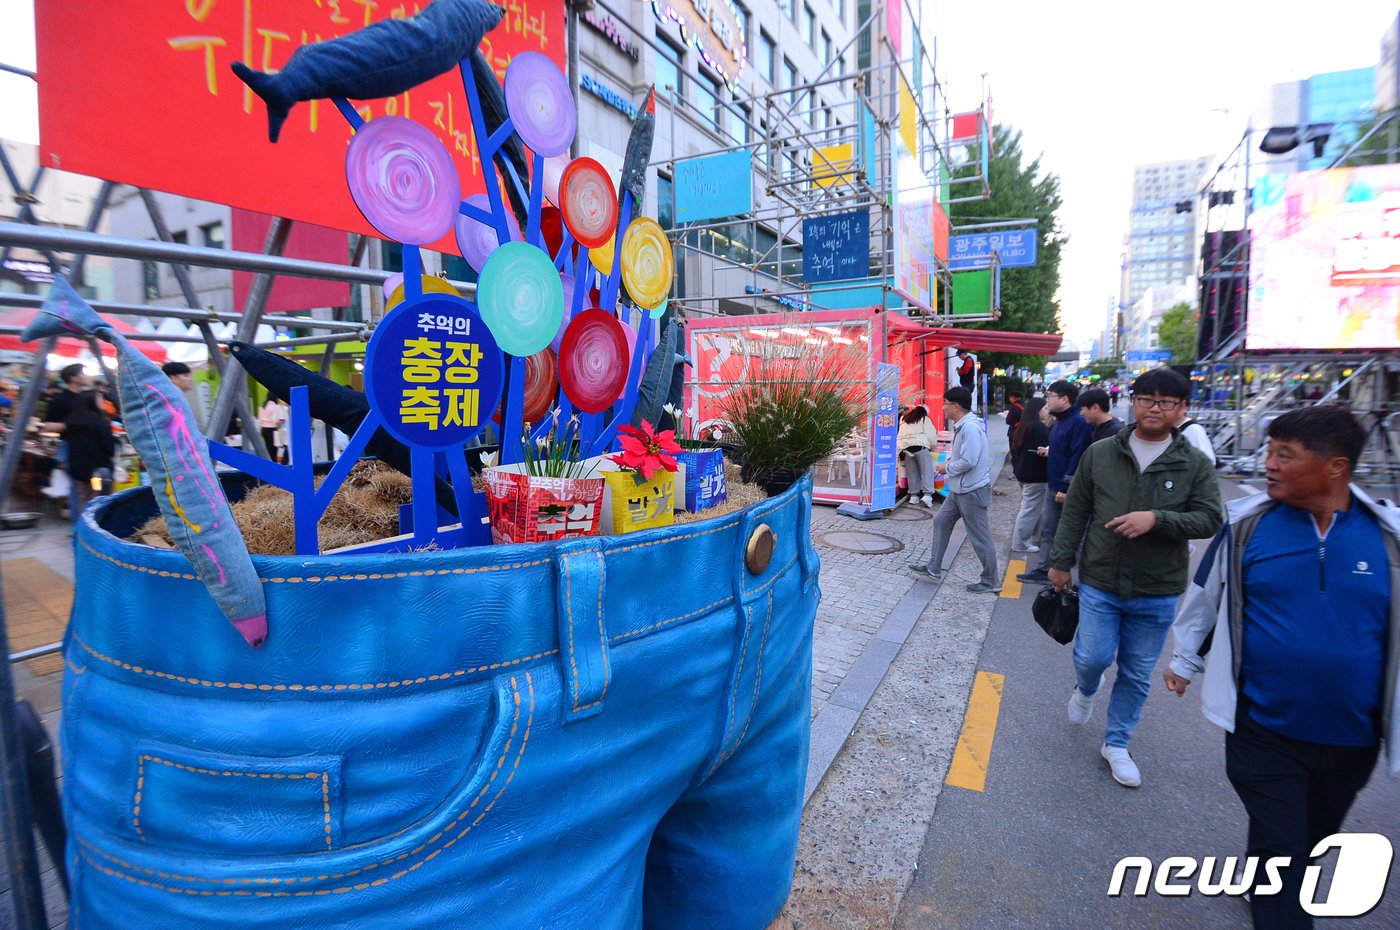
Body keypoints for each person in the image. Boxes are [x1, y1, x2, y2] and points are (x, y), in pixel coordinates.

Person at [1166, 405, 1398, 929]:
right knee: (1287, 859)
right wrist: (1184, 659)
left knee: (1303, 842)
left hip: (1351, 739)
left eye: (1284, 454)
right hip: (1262, 728)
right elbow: (1205, 596)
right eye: (1270, 451)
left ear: (1335, 467)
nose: (1267, 463)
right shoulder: (1249, 528)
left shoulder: (1387, 538)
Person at [1046, 367, 1224, 788]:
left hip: (1158, 587)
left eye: (1166, 402)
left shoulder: (1193, 462)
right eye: (1147, 399)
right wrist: (1059, 561)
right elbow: (1077, 510)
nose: (1154, 408)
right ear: (1134, 401)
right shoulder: (1102, 452)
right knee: (1092, 657)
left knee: (1137, 671)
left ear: (1182, 410)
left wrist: (1156, 519)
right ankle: (1086, 690)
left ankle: (1117, 743)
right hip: (1100, 578)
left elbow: (1211, 517)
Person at [909, 387, 1000, 593]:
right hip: (960, 489)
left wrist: (946, 467)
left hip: (972, 491)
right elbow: (964, 456)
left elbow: (969, 460)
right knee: (940, 521)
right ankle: (933, 567)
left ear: (955, 406)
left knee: (980, 537)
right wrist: (951, 460)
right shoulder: (964, 426)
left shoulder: (969, 428)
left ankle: (991, 580)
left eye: (945, 403)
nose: (943, 408)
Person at [1017, 380, 1094, 584]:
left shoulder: (1078, 422)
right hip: (1053, 484)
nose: (1047, 399)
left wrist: (1066, 486)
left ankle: (1062, 572)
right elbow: (1062, 450)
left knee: (1066, 532)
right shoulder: (1059, 421)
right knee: (1049, 530)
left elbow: (1078, 456)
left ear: (1064, 398)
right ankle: (1044, 569)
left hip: (1065, 489)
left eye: (1050, 395)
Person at [63, 389, 116, 519]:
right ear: (91, 401)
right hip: (97, 473)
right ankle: (98, 528)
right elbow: (109, 448)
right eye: (99, 399)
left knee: (84, 501)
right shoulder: (100, 422)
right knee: (98, 500)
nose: (103, 401)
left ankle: (84, 527)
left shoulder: (72, 421)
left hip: (79, 472)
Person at [1009, 396, 1049, 553]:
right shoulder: (1038, 427)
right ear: (1037, 411)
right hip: (1036, 474)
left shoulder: (1024, 426)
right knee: (1030, 509)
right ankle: (1020, 543)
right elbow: (1044, 449)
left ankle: (1031, 539)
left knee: (1032, 508)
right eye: (1045, 408)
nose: (1047, 411)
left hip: (1024, 473)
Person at [897, 404, 939, 508]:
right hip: (921, 448)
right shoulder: (925, 418)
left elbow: (900, 435)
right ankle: (927, 496)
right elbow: (931, 435)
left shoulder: (904, 419)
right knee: (927, 471)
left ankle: (913, 496)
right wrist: (933, 445)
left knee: (912, 473)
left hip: (906, 450)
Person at [258, 396, 286, 461]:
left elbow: (260, 419)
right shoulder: (275, 406)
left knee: (267, 447)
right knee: (274, 449)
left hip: (264, 429)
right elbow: (277, 420)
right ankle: (274, 463)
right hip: (272, 429)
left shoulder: (263, 405)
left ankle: (268, 461)